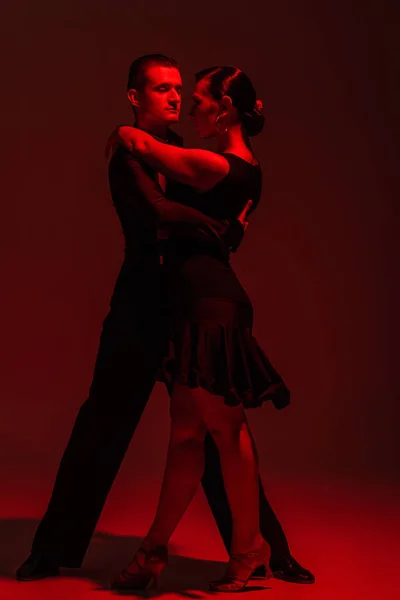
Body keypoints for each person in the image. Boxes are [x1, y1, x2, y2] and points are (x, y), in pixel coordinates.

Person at [16, 55, 314, 587]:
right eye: (161, 89)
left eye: (180, 89)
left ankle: (268, 552)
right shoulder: (127, 151)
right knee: (103, 422)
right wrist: (212, 227)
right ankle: (51, 549)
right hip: (137, 304)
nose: (175, 97)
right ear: (136, 96)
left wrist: (225, 230)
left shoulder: (185, 153)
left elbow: (231, 204)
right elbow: (157, 211)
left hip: (189, 305)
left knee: (212, 430)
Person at [106, 64, 313, 592]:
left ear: (223, 107)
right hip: (194, 305)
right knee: (185, 436)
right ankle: (154, 550)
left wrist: (127, 132)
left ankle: (249, 549)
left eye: (197, 99)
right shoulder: (234, 166)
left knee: (225, 428)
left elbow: (154, 154)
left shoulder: (228, 166)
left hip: (211, 305)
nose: (189, 107)